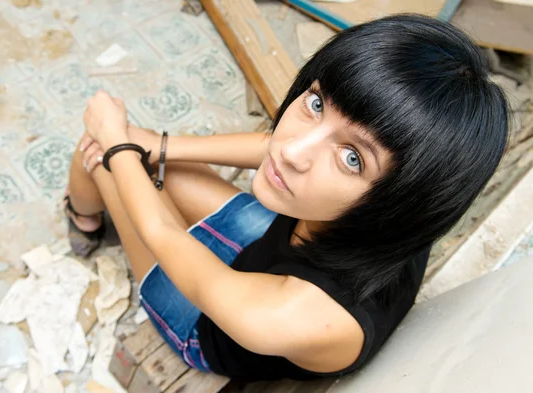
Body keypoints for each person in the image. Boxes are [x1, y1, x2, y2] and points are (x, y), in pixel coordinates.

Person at [64, 14, 509, 381]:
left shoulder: (301, 314)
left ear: (403, 199)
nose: (293, 150)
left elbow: (162, 234)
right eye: (316, 103)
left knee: (99, 153)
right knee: (135, 156)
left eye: (352, 158)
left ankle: (83, 223)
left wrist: (116, 144)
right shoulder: (388, 209)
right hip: (267, 247)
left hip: (210, 323)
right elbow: (272, 149)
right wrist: (160, 145)